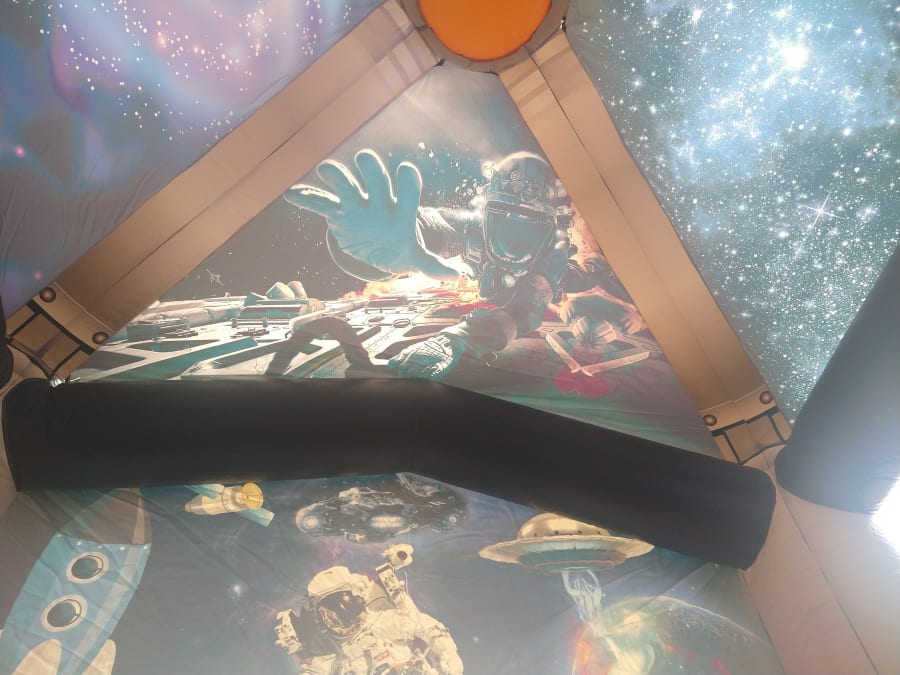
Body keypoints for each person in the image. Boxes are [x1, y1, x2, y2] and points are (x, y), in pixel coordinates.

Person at [285, 149, 642, 380]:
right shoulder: (472, 230)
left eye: (529, 223)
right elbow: (427, 228)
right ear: (486, 213)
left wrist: (460, 338)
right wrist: (372, 249)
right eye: (505, 216)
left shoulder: (557, 250)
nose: (513, 238)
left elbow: (527, 308)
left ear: (552, 228)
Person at [275, 549, 463, 675]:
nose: (339, 623)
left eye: (344, 613)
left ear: (357, 604)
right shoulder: (333, 649)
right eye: (329, 617)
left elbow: (426, 626)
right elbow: (317, 669)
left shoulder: (382, 622)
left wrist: (448, 654)